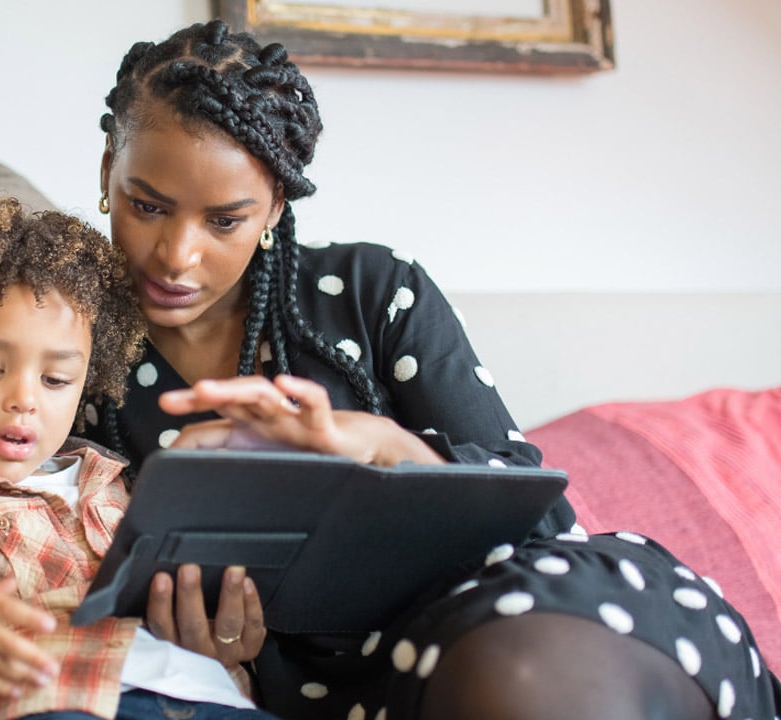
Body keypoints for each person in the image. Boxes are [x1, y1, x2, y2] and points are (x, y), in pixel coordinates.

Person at [80, 19, 781, 720]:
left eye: (225, 221)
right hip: (330, 692)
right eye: (148, 206)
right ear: (108, 164)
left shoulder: (372, 290)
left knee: (515, 675)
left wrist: (382, 447)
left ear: (275, 207)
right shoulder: (60, 349)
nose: (176, 255)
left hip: (516, 611)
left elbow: (538, 515)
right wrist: (208, 658)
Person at [0, 195, 284, 720]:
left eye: (56, 380)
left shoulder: (121, 485)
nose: (24, 399)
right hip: (60, 703)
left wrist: (225, 644)